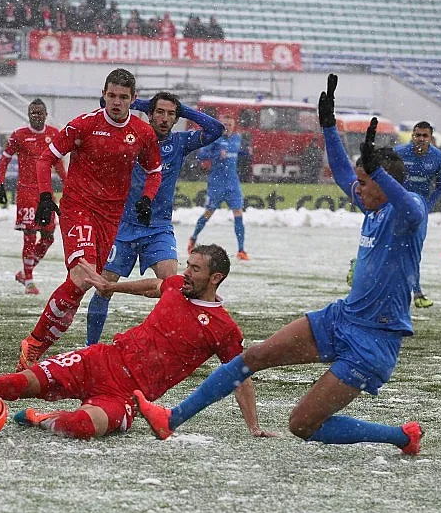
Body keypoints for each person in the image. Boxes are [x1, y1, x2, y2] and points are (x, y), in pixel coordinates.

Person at [135, 75, 426, 456]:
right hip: (343, 318)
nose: (356, 189)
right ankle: (170, 419)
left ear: (383, 184)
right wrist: (328, 128)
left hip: (374, 342)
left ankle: (402, 437)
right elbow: (342, 173)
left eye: (364, 183)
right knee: (254, 355)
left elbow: (408, 204)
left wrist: (381, 174)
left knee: (302, 425)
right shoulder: (370, 201)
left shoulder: (409, 213)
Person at [0, 245, 273, 439]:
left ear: (216, 278)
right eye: (188, 265)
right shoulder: (175, 285)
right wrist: (110, 286)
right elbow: (154, 286)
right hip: (101, 358)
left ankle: (42, 418)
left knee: (83, 427)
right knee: (24, 381)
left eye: (195, 269)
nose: (186, 273)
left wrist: (253, 426)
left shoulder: (223, 328)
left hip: (129, 395)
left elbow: (238, 374)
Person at [15, 68, 163, 370]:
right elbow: (47, 158)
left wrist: (147, 198)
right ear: (104, 95)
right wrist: (46, 195)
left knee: (81, 285)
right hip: (78, 207)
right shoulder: (84, 125)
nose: (117, 102)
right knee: (83, 277)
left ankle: (38, 343)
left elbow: (154, 171)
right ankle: (34, 344)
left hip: (111, 217)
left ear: (134, 99)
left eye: (123, 97)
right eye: (112, 96)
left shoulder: (143, 133)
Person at [86, 91, 225, 345]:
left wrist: (184, 110)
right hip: (123, 226)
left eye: (171, 114)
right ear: (150, 114)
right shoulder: (133, 135)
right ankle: (90, 348)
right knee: (103, 287)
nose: (164, 118)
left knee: (173, 286)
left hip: (158, 227)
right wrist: (138, 104)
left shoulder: (181, 142)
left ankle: (166, 346)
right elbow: (102, 103)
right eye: (159, 112)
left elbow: (217, 128)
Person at [0, 99, 68, 295]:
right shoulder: (19, 136)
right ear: (28, 115)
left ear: (46, 114)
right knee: (29, 236)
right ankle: (29, 280)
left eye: (40, 112)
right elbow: (4, 159)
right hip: (26, 192)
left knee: (48, 237)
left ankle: (24, 272)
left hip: (45, 193)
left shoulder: (54, 134)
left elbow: (58, 163)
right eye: (33, 113)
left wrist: (68, 182)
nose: (37, 116)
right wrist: (0, 183)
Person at [394, 121, 441, 308]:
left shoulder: (439, 158)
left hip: (419, 210)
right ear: (412, 136)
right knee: (387, 246)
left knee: (414, 251)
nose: (421, 139)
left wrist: (427, 205)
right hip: (397, 208)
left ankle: (417, 293)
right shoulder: (399, 153)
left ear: (431, 138)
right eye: (418, 135)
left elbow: (440, 186)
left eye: (425, 136)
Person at [188, 113, 249, 260]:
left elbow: (240, 153)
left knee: (238, 214)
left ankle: (241, 250)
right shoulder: (215, 139)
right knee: (208, 213)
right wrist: (216, 154)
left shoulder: (237, 139)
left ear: (234, 126)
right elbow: (201, 155)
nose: (227, 127)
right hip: (217, 185)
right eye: (225, 125)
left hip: (233, 184)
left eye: (230, 125)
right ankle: (193, 238)